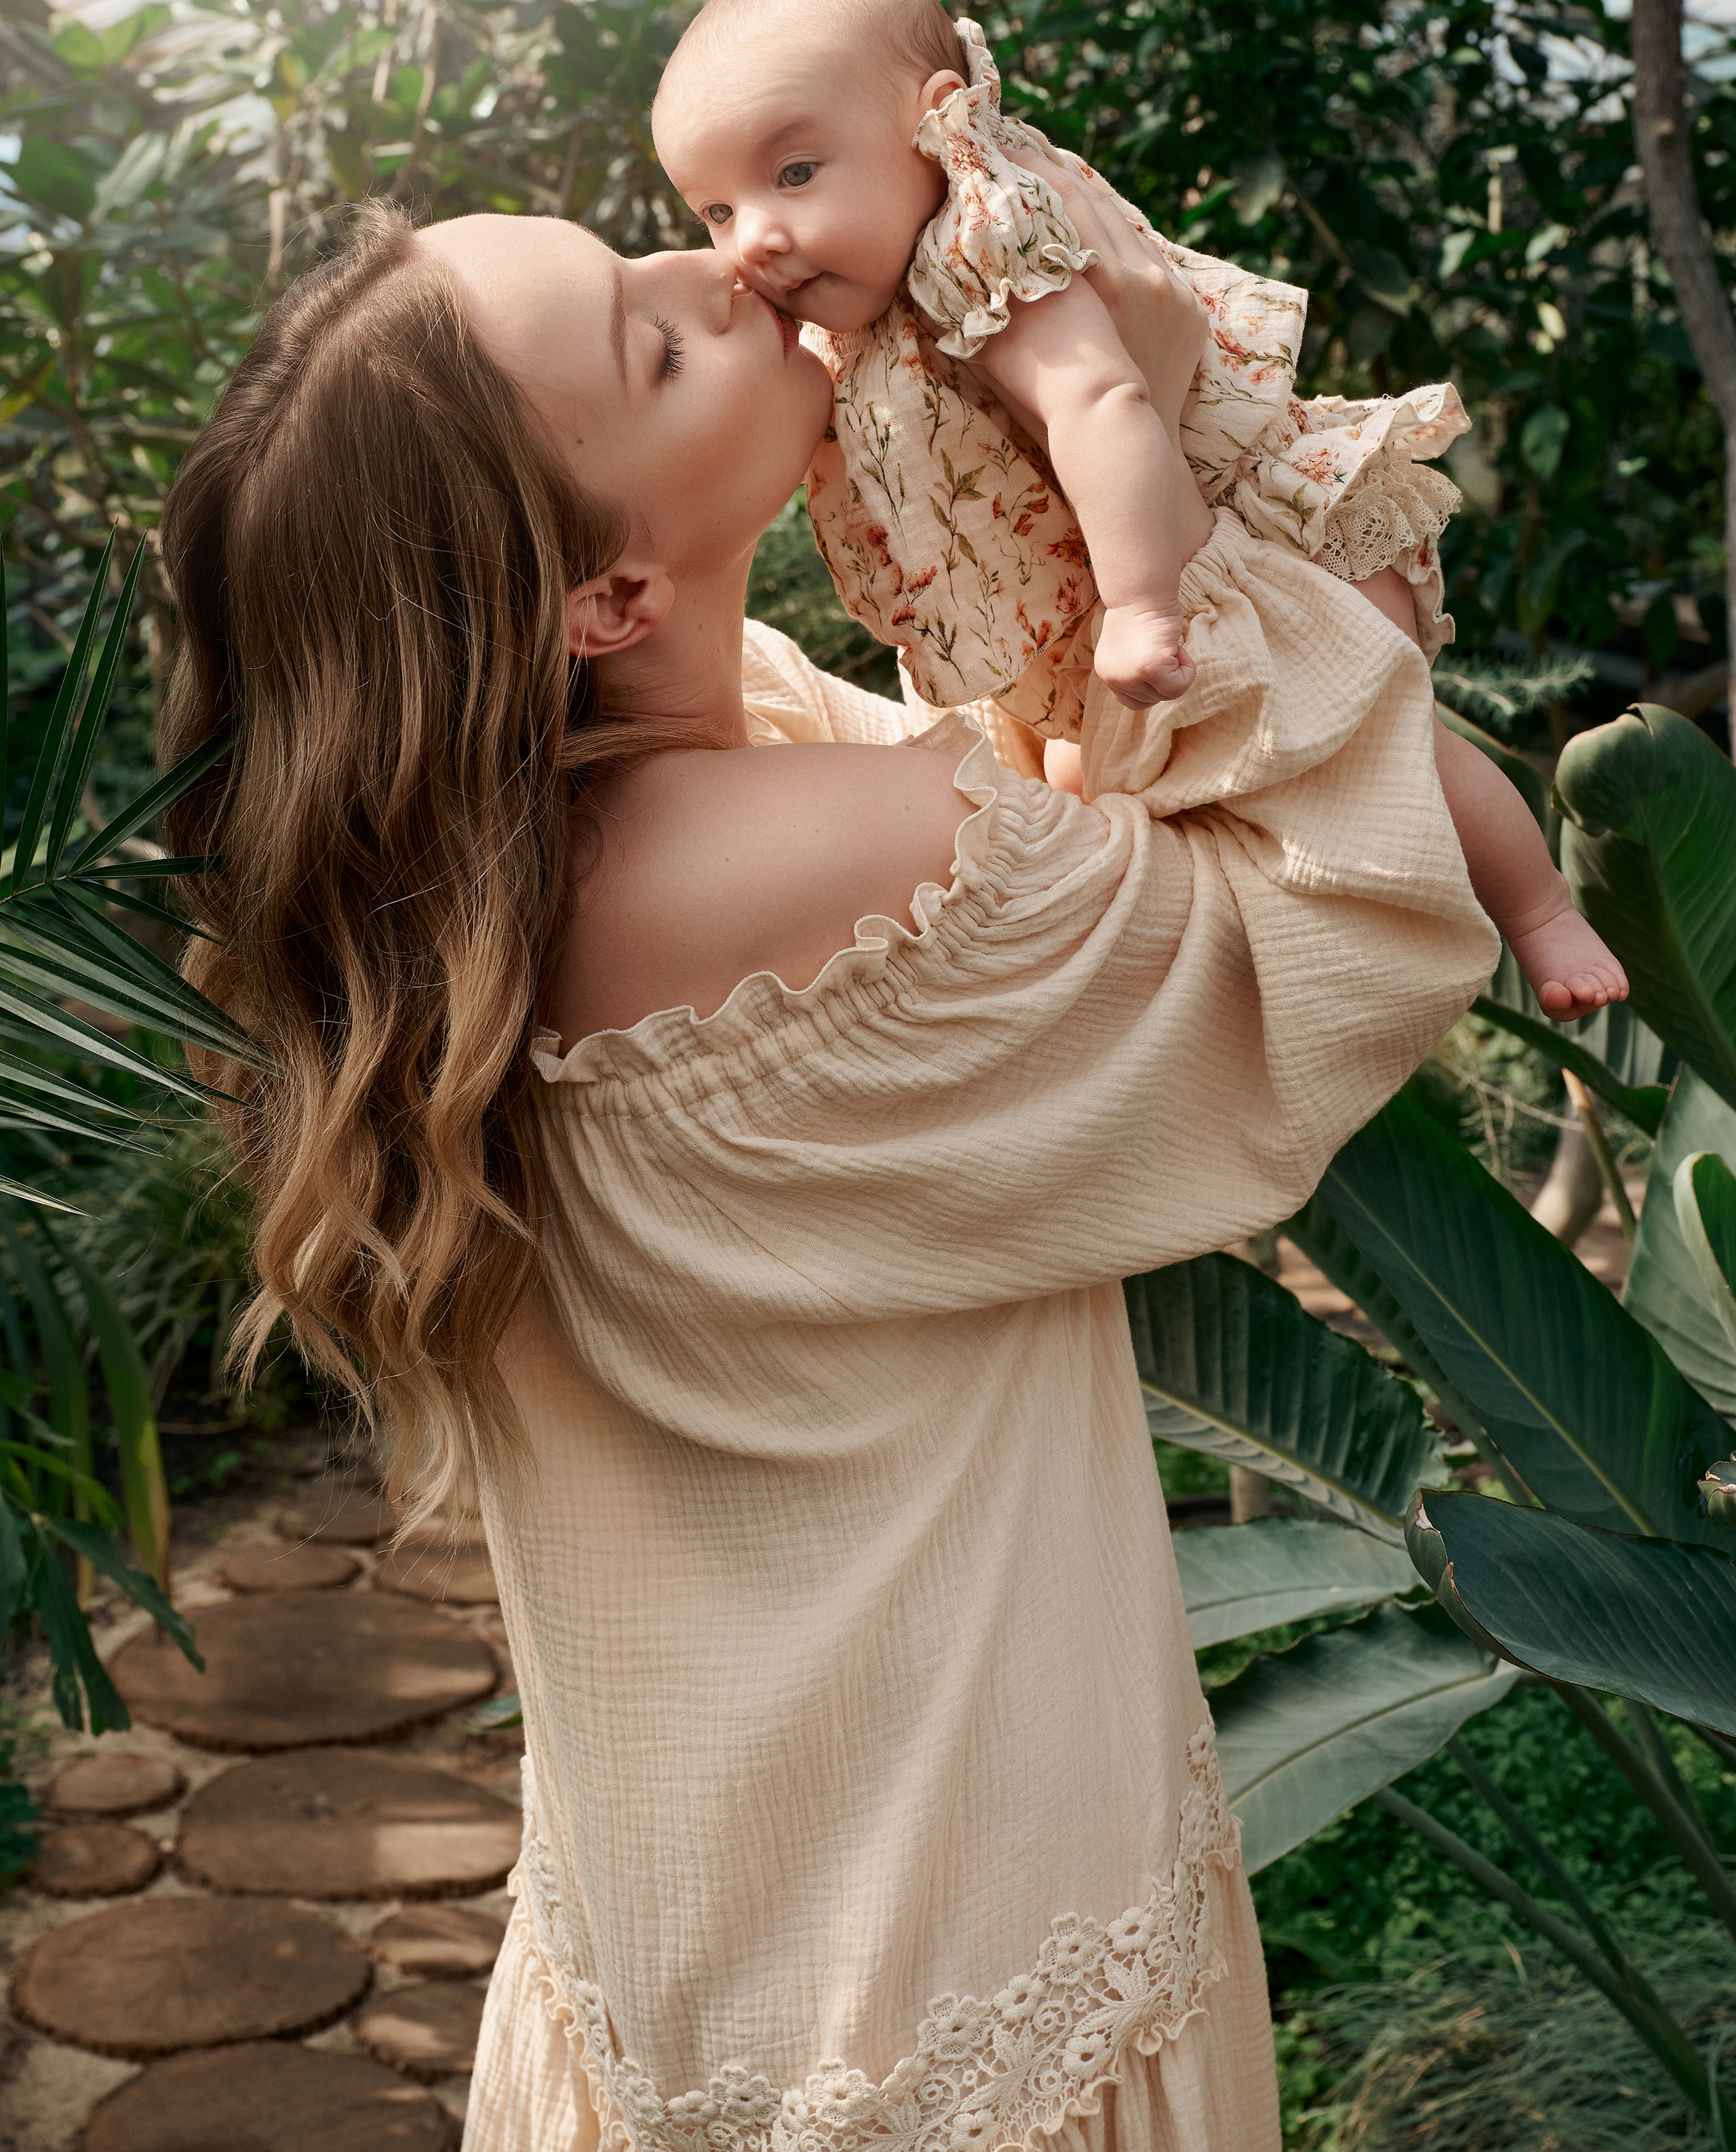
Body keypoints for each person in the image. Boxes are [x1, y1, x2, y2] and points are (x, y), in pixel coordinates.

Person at [159, 182, 1499, 2152]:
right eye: (653, 337)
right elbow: (1337, 921)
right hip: (954, 2005)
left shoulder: (507, 884)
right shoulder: (824, 872)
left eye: (643, 246)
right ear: (608, 596)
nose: (721, 270)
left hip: (707, 1969)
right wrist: (1157, 399)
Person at [652, 0, 1627, 1023]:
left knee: (1393, 748)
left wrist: (1145, 605)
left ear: (939, 126)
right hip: (1129, 613)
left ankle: (1541, 914)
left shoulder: (982, 247)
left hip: (1256, 560)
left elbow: (1103, 404)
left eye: (793, 175)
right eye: (715, 212)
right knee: (1079, 814)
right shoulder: (870, 313)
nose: (756, 243)